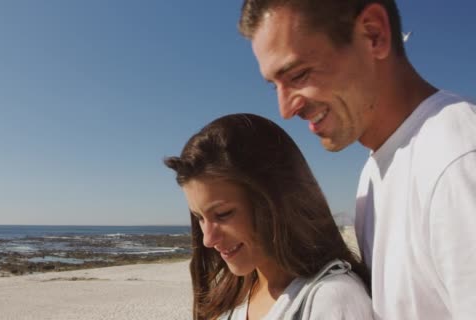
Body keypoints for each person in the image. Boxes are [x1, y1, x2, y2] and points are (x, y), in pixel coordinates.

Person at [239, 1, 476, 319]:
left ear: (373, 35)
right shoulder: (374, 174)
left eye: (299, 74)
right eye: (274, 86)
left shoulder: (458, 158)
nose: (285, 109)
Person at [164, 113, 373, 320]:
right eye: (199, 217)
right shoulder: (230, 297)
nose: (208, 240)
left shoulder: (331, 299)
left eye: (223, 214)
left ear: (276, 202)